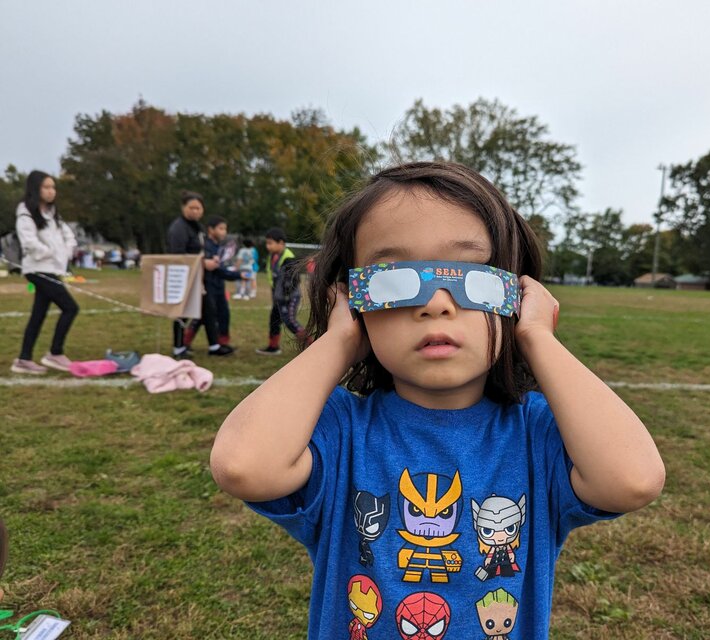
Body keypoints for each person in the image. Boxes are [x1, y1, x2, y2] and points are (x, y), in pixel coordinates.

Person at [210, 162, 665, 638]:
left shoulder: (537, 435)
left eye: (472, 274)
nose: (436, 303)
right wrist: (340, 339)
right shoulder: (340, 430)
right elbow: (243, 465)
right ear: (354, 300)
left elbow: (632, 479)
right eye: (394, 279)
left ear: (517, 294)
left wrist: (536, 337)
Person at [11, 171, 79, 374]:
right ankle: (55, 353)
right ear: (36, 189)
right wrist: (50, 254)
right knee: (70, 308)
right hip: (38, 269)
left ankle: (24, 359)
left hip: (53, 269)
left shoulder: (52, 212)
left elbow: (68, 235)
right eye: (46, 187)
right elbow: (29, 242)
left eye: (53, 187)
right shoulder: (25, 212)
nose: (51, 192)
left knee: (38, 315)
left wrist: (65, 253)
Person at [166, 191, 233, 358]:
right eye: (191, 207)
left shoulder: (196, 227)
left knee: (208, 310)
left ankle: (214, 346)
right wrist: (204, 263)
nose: (195, 211)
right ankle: (179, 348)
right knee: (182, 312)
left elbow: (199, 250)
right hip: (184, 278)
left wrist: (209, 259)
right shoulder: (178, 228)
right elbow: (178, 255)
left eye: (198, 208)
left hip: (199, 278)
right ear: (183, 207)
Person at [184, 216, 246, 349]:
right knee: (204, 316)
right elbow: (216, 269)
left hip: (219, 286)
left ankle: (223, 343)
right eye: (221, 228)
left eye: (225, 229)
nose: (224, 232)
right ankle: (185, 341)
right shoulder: (204, 246)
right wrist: (237, 275)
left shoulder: (218, 246)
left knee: (224, 314)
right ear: (211, 230)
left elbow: (220, 268)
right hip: (207, 286)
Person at [254, 228, 307, 354]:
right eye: (267, 243)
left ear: (281, 243)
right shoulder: (272, 256)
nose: (268, 246)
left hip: (289, 296)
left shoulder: (289, 258)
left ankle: (310, 343)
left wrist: (286, 295)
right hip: (278, 295)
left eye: (270, 243)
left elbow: (294, 280)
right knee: (274, 320)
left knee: (289, 321)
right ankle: (273, 347)